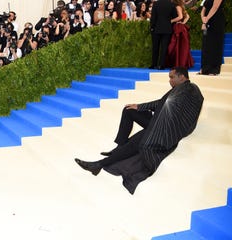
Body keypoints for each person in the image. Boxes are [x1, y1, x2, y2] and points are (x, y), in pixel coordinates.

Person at [74, 67, 203, 194]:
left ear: (182, 77)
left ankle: (98, 165)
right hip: (159, 121)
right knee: (129, 110)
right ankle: (120, 146)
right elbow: (162, 103)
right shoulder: (179, 89)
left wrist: (162, 128)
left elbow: (182, 115)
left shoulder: (189, 89)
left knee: (139, 141)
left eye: (172, 77)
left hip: (166, 128)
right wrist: (139, 107)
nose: (170, 81)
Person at [199, 0, 225, 75]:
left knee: (215, 44)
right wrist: (203, 19)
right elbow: (203, 9)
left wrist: (206, 19)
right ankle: (204, 69)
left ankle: (214, 69)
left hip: (216, 20)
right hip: (206, 21)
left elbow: (215, 7)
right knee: (206, 44)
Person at [165, 0, 194, 69]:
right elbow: (187, 16)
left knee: (176, 46)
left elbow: (180, 16)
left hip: (178, 28)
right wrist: (183, 23)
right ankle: (180, 62)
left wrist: (171, 21)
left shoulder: (177, 6)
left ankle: (178, 63)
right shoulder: (181, 6)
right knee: (181, 46)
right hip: (181, 28)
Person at [149, 0, 176, 70]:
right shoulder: (172, 4)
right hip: (167, 28)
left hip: (156, 28)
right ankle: (161, 65)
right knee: (164, 48)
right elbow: (174, 16)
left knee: (155, 47)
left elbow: (153, 17)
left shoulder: (156, 3)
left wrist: (152, 27)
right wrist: (169, 24)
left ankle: (153, 64)